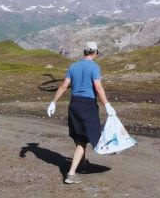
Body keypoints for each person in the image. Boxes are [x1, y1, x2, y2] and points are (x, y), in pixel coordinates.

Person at [47, 41, 117, 184]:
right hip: (88, 106)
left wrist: (53, 102)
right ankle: (71, 174)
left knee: (79, 136)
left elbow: (64, 86)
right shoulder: (95, 67)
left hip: (74, 104)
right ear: (95, 53)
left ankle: (83, 165)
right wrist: (108, 105)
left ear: (84, 52)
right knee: (83, 140)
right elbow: (98, 88)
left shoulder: (73, 66)